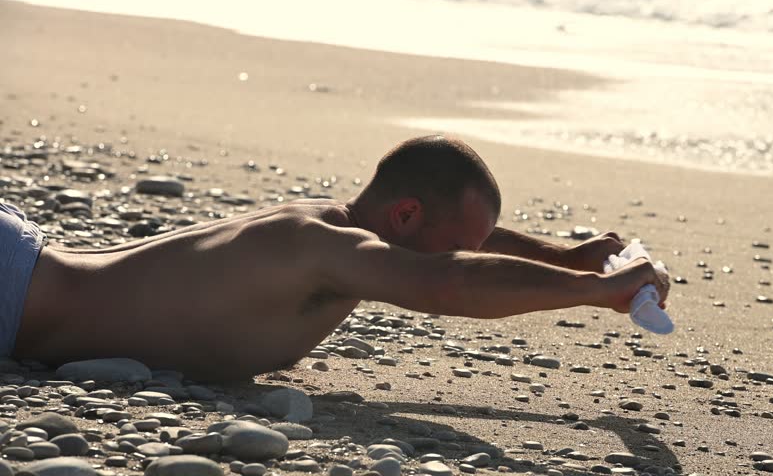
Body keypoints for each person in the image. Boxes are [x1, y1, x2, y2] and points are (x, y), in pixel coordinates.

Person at [2, 135, 669, 380]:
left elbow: (463, 247)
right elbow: (445, 278)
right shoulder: (323, 248)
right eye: (462, 240)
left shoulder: (329, 229)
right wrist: (595, 294)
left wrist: (572, 258)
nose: (472, 251)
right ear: (404, 215)